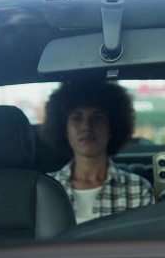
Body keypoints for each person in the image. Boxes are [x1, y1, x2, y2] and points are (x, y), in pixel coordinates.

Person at [42, 80, 154, 223]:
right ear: (64, 129)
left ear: (112, 128)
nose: (86, 126)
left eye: (97, 117)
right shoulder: (46, 188)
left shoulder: (138, 189)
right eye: (77, 117)